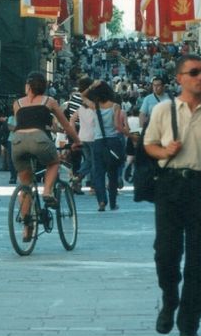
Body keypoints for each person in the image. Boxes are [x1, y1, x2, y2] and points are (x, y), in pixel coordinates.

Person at [143, 54, 201, 336]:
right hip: (169, 187)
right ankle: (170, 298)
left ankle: (189, 320)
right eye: (193, 72)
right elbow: (149, 145)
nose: (200, 77)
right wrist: (164, 151)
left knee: (197, 257)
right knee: (165, 253)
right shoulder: (163, 110)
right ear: (180, 78)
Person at [11, 72, 81, 243]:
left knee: (25, 182)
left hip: (18, 141)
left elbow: (21, 122)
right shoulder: (49, 101)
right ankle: (48, 191)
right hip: (39, 139)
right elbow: (66, 125)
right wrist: (77, 141)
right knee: (54, 162)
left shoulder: (17, 103)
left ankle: (27, 228)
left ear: (27, 87)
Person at [88, 80, 128, 212]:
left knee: (99, 173)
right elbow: (117, 126)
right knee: (112, 173)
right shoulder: (115, 106)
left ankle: (101, 202)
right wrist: (130, 135)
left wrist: (91, 86)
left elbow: (82, 96)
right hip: (113, 142)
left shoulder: (95, 106)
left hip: (98, 143)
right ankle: (112, 202)